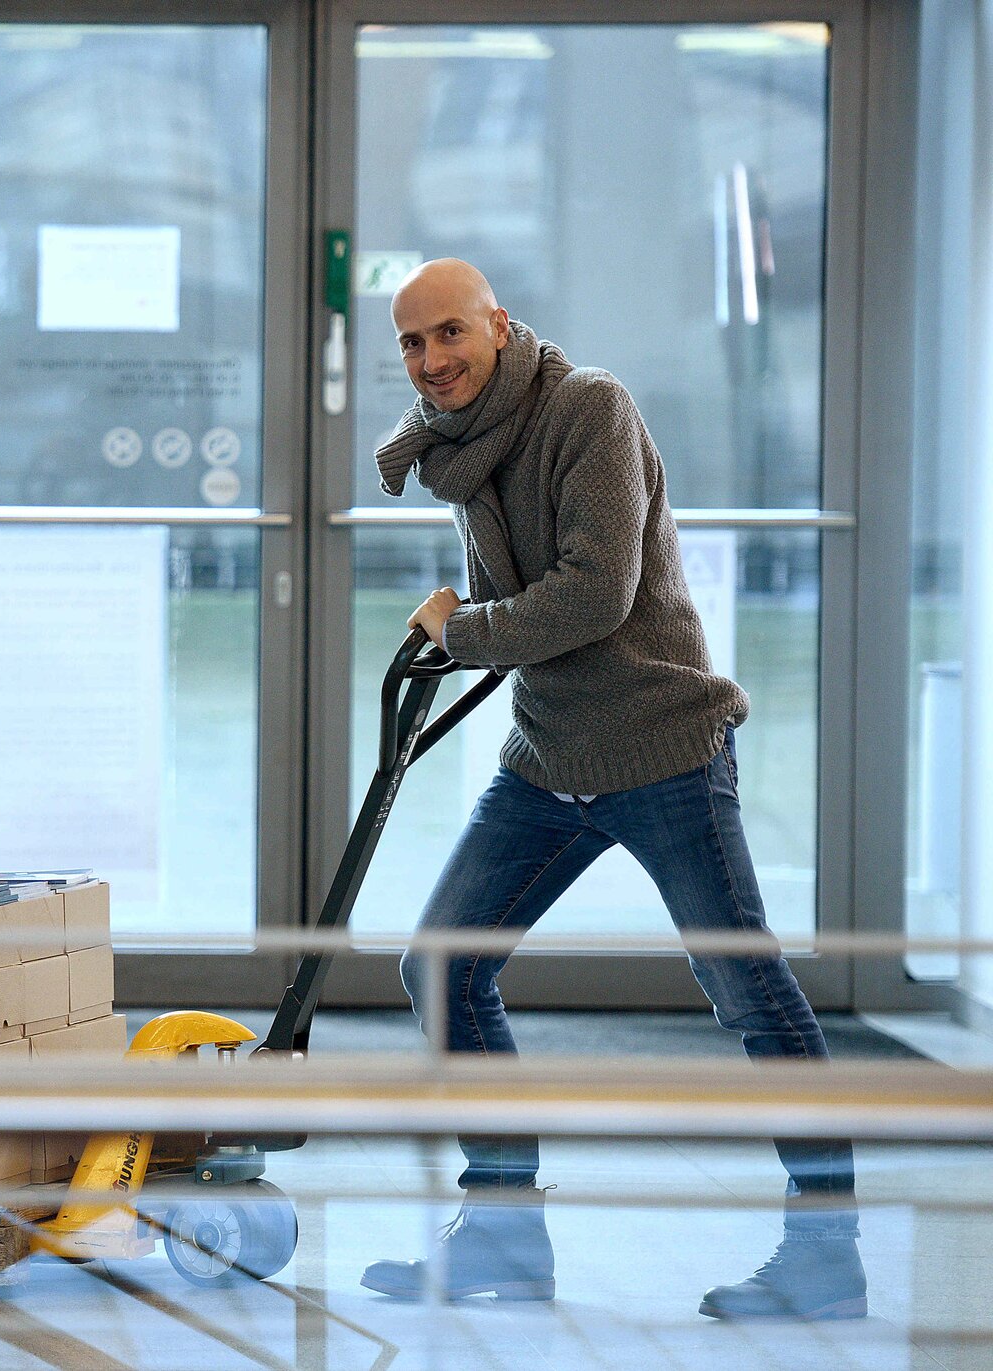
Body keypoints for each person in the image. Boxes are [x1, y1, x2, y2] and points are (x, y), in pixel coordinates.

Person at [356, 259, 865, 1322]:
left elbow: (594, 594)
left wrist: (460, 630)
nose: (430, 360)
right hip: (547, 760)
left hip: (661, 750)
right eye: (409, 344)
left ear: (497, 325)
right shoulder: (455, 448)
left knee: (746, 992)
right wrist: (473, 629)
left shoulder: (589, 406)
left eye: (447, 333)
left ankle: (827, 1259)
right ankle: (502, 1243)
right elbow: (516, 603)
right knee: (441, 966)